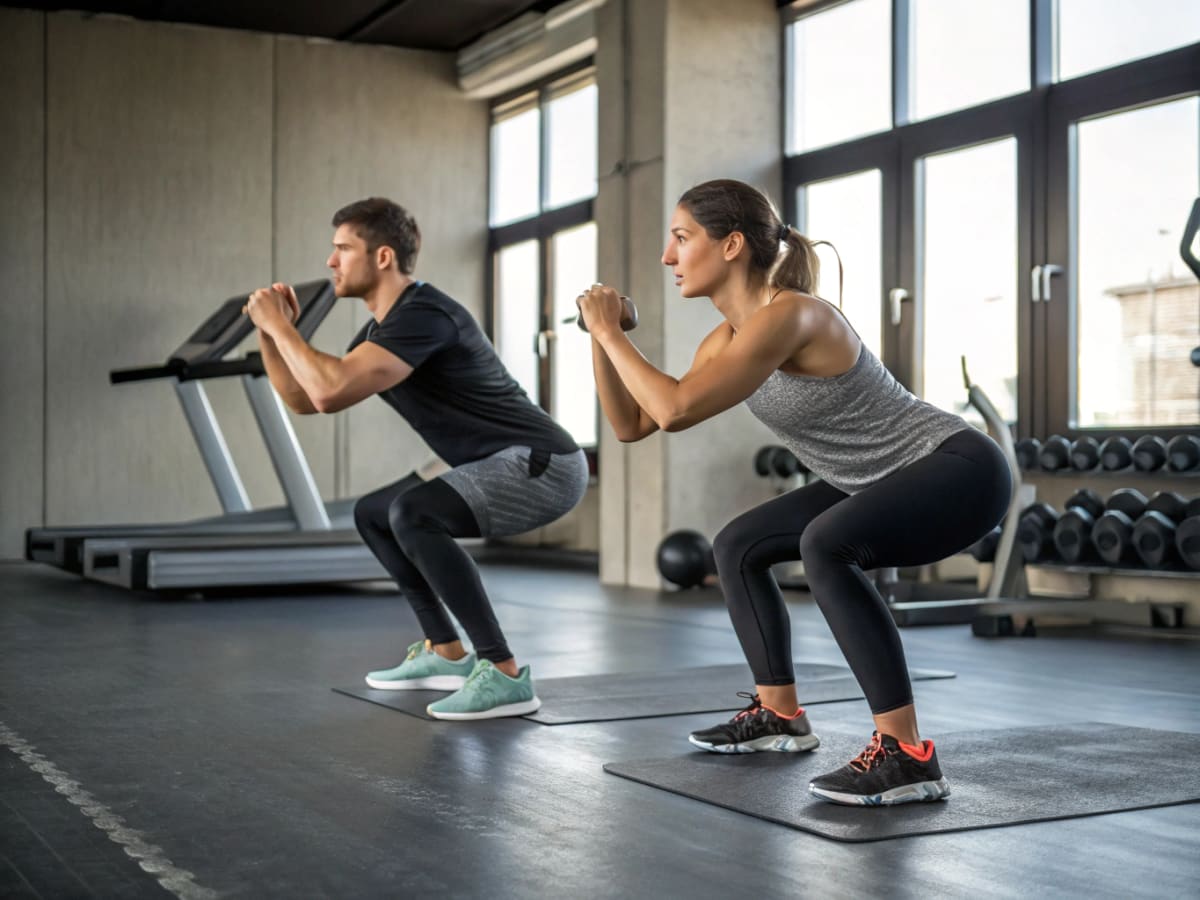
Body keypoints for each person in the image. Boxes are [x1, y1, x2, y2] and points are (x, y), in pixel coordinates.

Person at [580, 179, 1010, 806]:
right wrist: (602, 336)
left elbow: (673, 409)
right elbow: (633, 423)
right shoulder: (724, 339)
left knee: (825, 543)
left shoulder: (794, 314)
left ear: (731, 245)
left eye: (681, 238)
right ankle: (778, 715)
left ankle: (907, 753)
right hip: (872, 478)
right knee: (738, 545)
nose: (668, 257)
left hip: (956, 467)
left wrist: (611, 332)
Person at [244, 197, 588, 721]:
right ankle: (444, 651)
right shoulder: (380, 331)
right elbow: (305, 399)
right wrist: (271, 333)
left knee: (413, 512)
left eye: (342, 249)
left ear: (382, 257)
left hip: (544, 465)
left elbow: (329, 390)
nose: (331, 261)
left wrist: (282, 327)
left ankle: (503, 672)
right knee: (374, 513)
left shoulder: (424, 314)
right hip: (492, 462)